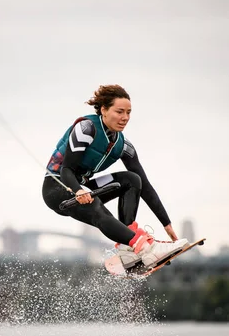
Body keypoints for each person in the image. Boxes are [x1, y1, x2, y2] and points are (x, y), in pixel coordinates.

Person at [42, 84, 188, 270]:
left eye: (128, 112)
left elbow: (146, 186)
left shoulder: (123, 145)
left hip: (83, 188)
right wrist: (78, 190)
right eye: (119, 111)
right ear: (103, 109)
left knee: (132, 180)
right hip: (57, 189)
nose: (125, 118)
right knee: (94, 206)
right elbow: (66, 170)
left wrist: (166, 224)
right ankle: (144, 248)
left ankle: (128, 249)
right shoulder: (86, 129)